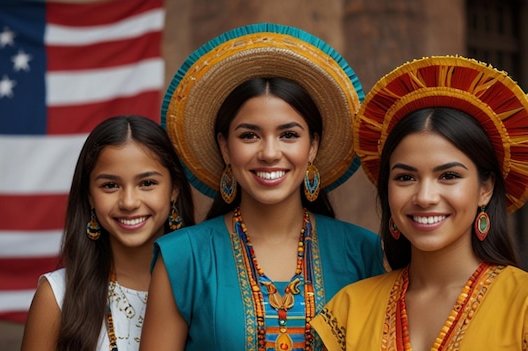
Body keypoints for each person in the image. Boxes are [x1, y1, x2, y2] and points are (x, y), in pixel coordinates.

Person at [139, 23, 386, 351]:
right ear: (225, 147)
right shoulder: (182, 257)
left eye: (289, 135)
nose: (270, 153)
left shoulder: (362, 253)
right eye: (249, 135)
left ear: (312, 146)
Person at [311, 56, 528, 350]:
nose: (425, 197)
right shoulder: (349, 310)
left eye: (449, 175)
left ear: (485, 188)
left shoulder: (522, 306)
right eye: (405, 178)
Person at [20, 115, 195, 351]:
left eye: (147, 183)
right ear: (90, 197)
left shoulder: (205, 282)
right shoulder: (57, 296)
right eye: (110, 185)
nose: (129, 202)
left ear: (174, 189)